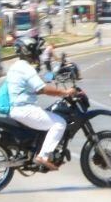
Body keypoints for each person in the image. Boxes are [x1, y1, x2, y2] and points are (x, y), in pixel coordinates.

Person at [5, 38, 79, 171]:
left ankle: (36, 152)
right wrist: (65, 92)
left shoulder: (14, 67)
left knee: (47, 119)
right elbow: (42, 89)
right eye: (35, 50)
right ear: (28, 51)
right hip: (25, 110)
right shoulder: (26, 69)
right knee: (59, 123)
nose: (38, 54)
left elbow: (29, 89)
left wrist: (50, 89)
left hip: (16, 109)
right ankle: (43, 156)